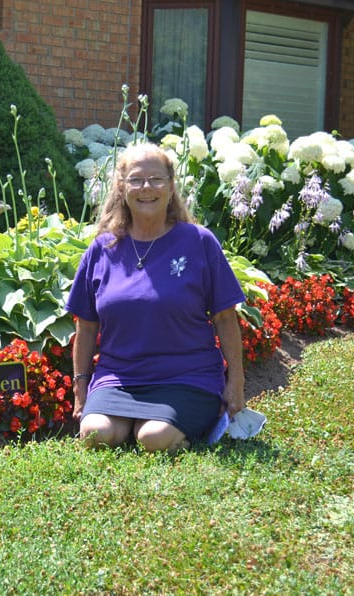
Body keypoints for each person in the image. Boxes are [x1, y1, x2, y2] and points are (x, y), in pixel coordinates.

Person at [66, 142, 246, 453]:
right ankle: (132, 423)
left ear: (171, 186)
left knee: (153, 437)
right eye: (136, 179)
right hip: (119, 376)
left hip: (187, 376)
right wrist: (81, 388)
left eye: (156, 179)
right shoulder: (103, 249)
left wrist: (236, 383)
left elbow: (224, 317)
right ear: (122, 187)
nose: (146, 188)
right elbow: (86, 325)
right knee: (96, 434)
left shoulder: (199, 242)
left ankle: (161, 426)